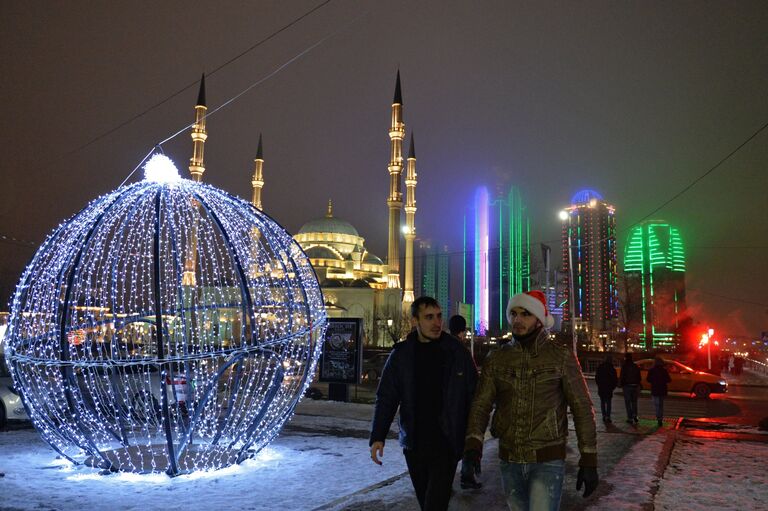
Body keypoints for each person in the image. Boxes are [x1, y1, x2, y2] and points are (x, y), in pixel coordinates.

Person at [463, 290, 598, 510]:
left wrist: (589, 459)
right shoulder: (497, 358)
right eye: (514, 314)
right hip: (510, 458)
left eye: (525, 314)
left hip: (547, 459)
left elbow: (582, 408)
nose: (517, 320)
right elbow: (481, 404)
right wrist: (472, 446)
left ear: (539, 320)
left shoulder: (560, 357)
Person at [369, 296, 478, 510]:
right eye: (429, 317)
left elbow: (474, 395)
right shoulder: (402, 355)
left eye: (438, 316)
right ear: (414, 321)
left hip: (446, 443)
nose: (437, 323)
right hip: (415, 445)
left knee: (434, 504)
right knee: (425, 501)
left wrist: (472, 438)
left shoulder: (456, 352)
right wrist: (378, 436)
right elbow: (387, 397)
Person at [646, 357, 671, 426]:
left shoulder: (651, 370)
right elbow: (669, 380)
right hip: (662, 389)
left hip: (655, 389)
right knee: (661, 405)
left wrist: (654, 380)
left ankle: (658, 418)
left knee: (656, 405)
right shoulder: (664, 370)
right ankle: (660, 418)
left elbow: (648, 379)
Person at [595, 354, 618, 423]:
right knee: (608, 402)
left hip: (602, 387)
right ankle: (608, 416)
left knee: (602, 402)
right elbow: (615, 380)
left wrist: (599, 385)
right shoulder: (612, 369)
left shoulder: (600, 367)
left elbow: (597, 378)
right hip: (609, 388)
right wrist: (612, 387)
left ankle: (604, 415)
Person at [619, 353, 641, 424]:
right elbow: (639, 377)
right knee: (634, 402)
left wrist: (620, 384)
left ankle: (630, 418)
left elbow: (622, 376)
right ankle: (635, 415)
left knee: (628, 402)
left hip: (627, 386)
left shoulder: (624, 366)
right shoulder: (635, 366)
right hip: (635, 386)